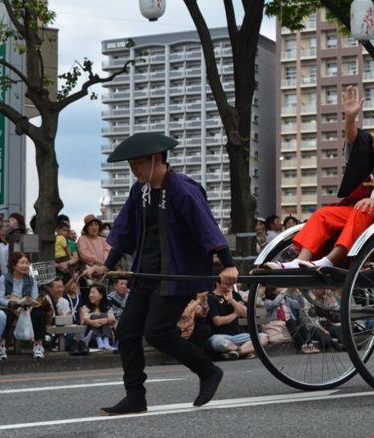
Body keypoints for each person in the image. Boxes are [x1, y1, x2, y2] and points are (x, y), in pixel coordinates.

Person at [87, 132, 237, 415]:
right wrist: (108, 264)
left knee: (157, 331)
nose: (134, 171)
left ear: (157, 160)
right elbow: (124, 231)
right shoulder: (138, 191)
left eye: (138, 165)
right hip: (145, 271)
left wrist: (228, 264)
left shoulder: (181, 187)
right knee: (128, 330)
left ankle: (207, 371)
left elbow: (207, 226)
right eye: (131, 166)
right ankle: (135, 396)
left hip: (176, 271)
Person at [266, 86, 374, 269]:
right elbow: (358, 144)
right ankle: (300, 261)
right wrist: (350, 118)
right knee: (324, 214)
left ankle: (329, 261)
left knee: (363, 208)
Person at [0, 252, 49, 360]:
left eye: (27, 263)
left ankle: (38, 345)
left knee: (39, 314)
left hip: (26, 308)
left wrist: (26, 302)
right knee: (4, 316)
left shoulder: (31, 280)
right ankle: (1, 346)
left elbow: (34, 298)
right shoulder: (4, 278)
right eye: (22, 263)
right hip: (11, 307)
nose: (25, 265)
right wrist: (10, 303)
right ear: (14, 265)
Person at [206, 280, 255, 360]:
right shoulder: (211, 297)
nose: (230, 285)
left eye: (231, 283)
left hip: (238, 335)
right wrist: (235, 313)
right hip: (220, 336)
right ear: (218, 283)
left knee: (263, 337)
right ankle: (244, 351)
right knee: (217, 342)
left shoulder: (235, 295)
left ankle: (237, 352)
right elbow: (218, 321)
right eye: (226, 283)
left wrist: (231, 300)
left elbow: (246, 314)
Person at [80, 284, 116, 352]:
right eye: (90, 293)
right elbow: (84, 320)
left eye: (93, 292)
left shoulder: (107, 306)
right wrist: (93, 322)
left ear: (101, 295)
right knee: (94, 316)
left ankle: (105, 341)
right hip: (91, 338)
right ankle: (99, 340)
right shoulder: (86, 307)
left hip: (108, 336)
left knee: (103, 315)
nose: (90, 295)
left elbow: (112, 319)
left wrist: (105, 320)